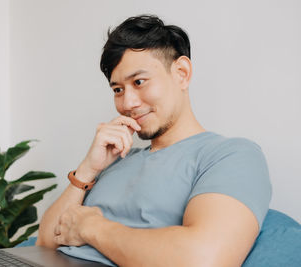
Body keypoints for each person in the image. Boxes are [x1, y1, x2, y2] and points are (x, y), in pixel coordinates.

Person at [36, 15, 272, 267]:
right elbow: (45, 242)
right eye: (118, 90)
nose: (128, 104)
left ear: (181, 73)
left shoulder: (231, 155)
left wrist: (91, 228)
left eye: (139, 82)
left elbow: (204, 259)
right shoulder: (118, 159)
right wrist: (88, 168)